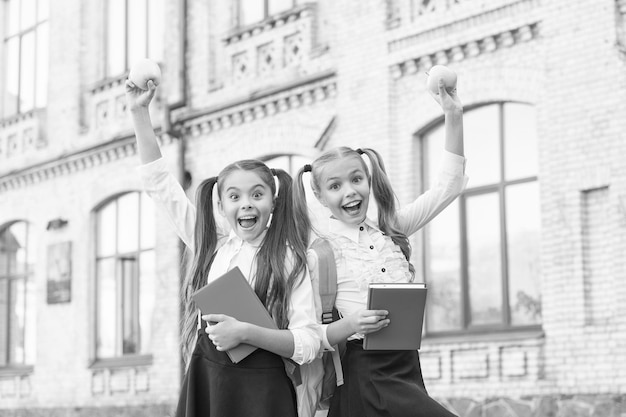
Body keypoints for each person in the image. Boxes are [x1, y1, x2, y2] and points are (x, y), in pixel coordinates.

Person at [126, 79, 321, 417]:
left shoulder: (291, 258)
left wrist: (246, 332)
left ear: (273, 201)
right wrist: (140, 111)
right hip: (208, 379)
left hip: (263, 391)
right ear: (220, 204)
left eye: (257, 194)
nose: (246, 204)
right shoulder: (210, 244)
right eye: (235, 196)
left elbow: (309, 343)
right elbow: (159, 184)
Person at [292, 78, 467, 417]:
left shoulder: (391, 229)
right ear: (319, 196)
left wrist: (453, 114)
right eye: (335, 186)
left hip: (406, 366)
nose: (350, 192)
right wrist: (353, 323)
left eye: (356, 179)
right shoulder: (320, 254)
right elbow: (309, 336)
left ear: (368, 180)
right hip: (365, 374)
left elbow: (449, 185)